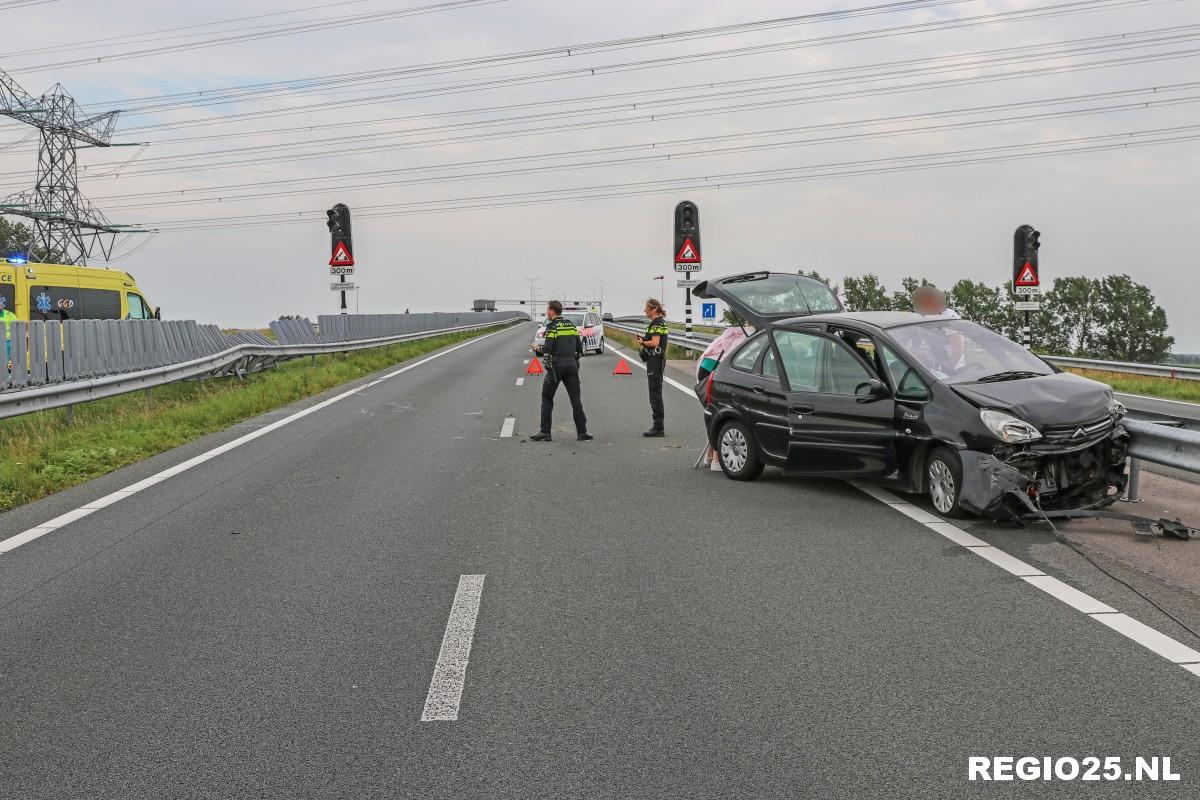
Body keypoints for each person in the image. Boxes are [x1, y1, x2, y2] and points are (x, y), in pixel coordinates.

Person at [530, 300, 591, 442]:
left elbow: (547, 349)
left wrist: (535, 347)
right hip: (572, 365)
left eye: (547, 310)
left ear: (552, 311)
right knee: (575, 399)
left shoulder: (552, 327)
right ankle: (582, 432)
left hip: (557, 367)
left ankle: (545, 432)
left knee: (547, 396)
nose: (547, 312)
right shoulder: (570, 325)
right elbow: (579, 348)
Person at [696, 321, 753, 470]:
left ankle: (709, 456)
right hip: (716, 373)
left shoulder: (736, 331)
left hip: (705, 369)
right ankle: (716, 459)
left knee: (711, 410)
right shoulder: (750, 336)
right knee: (721, 410)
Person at [634, 298, 670, 437]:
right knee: (656, 392)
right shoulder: (660, 322)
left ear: (654, 309)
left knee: (654, 393)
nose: (644, 310)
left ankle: (658, 427)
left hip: (655, 360)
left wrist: (643, 342)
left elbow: (655, 343)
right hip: (657, 360)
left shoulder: (656, 323)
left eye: (646, 308)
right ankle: (658, 425)